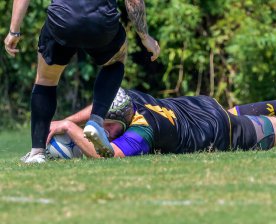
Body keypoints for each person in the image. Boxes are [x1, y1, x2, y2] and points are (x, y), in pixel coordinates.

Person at [4, 0, 160, 163]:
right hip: (101, 23)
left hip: (62, 22)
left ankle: (37, 152)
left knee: (46, 80)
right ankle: (96, 121)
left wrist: (14, 31)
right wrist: (144, 36)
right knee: (116, 62)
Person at [46, 84, 276, 159]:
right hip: (203, 108)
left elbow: (111, 157)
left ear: (124, 121)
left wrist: (69, 129)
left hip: (218, 130)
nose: (102, 130)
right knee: (235, 115)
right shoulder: (132, 103)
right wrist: (66, 118)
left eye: (106, 127)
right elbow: (104, 103)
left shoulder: (142, 131)